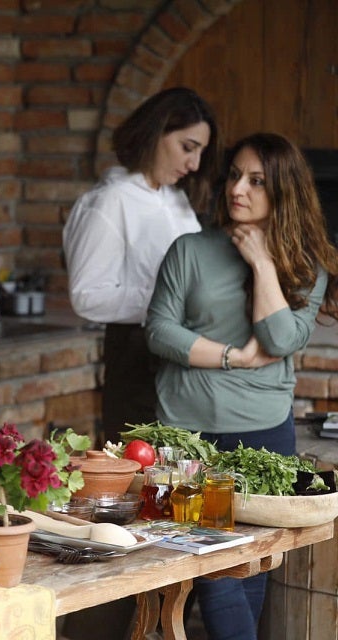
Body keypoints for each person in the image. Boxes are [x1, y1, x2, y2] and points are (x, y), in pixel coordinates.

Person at [146, 133, 338, 640]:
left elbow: (279, 336)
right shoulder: (189, 249)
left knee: (253, 569)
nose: (238, 189)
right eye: (234, 175)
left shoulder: (305, 265)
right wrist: (233, 357)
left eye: (256, 180)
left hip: (263, 436)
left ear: (283, 191)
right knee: (213, 570)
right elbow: (160, 331)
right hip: (189, 438)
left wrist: (262, 263)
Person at [62, 86, 220, 446]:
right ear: (156, 133)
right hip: (136, 356)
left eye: (201, 152)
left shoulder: (176, 198)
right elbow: (86, 297)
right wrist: (168, 299)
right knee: (143, 478)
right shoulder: (109, 202)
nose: (194, 164)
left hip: (182, 353)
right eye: (188, 147)